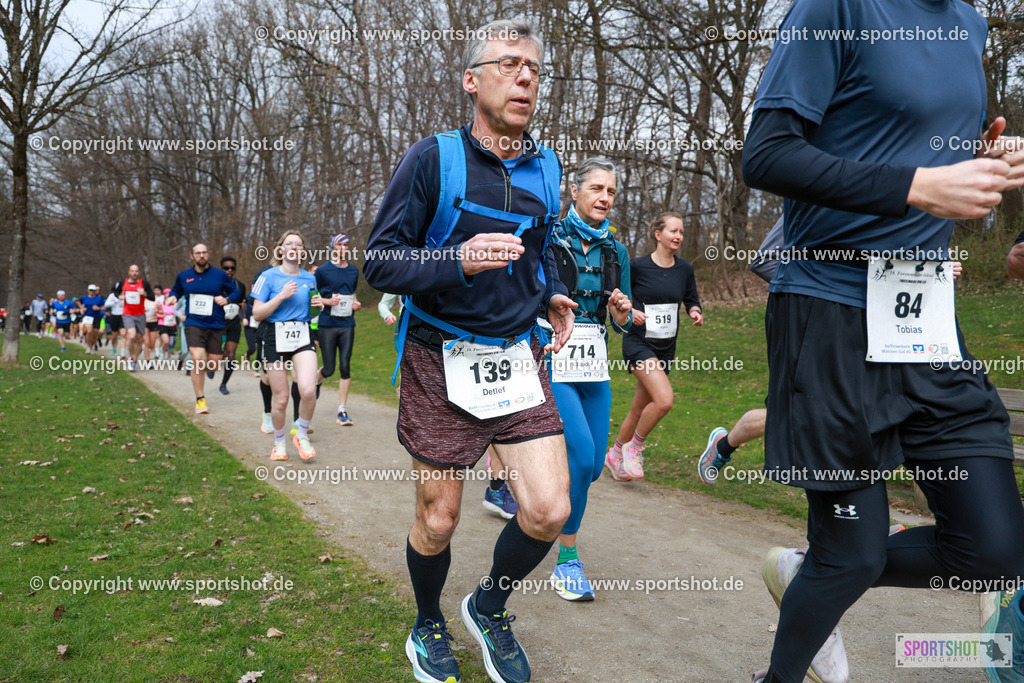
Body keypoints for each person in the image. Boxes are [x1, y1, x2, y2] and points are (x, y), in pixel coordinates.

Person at [741, 0, 1024, 679]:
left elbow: (909, 143)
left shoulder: (968, 22)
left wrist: (979, 162)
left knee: (995, 547)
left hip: (924, 316)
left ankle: (816, 572)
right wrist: (917, 186)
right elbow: (766, 155)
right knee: (854, 551)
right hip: (829, 307)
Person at [364, 18, 574, 683]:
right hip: (438, 355)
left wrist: (556, 295)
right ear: (471, 79)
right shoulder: (432, 158)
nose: (524, 77)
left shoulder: (548, 165)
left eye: (534, 69)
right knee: (440, 517)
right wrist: (455, 259)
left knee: (548, 509)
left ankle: (489, 605)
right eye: (508, 63)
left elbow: (549, 248)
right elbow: (381, 261)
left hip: (517, 357)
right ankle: (428, 620)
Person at [541, 157, 638, 601]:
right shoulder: (549, 239)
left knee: (594, 465)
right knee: (580, 457)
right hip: (553, 359)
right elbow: (530, 294)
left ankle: (543, 498)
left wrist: (622, 316)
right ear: (574, 192)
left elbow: (621, 320)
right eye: (596, 188)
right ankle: (566, 559)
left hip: (593, 365)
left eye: (611, 192)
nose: (604, 198)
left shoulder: (617, 252)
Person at [606, 213, 702, 480]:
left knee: (639, 408)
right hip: (639, 343)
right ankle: (634, 448)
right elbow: (617, 295)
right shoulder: (637, 266)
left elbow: (691, 298)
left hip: (666, 348)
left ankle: (614, 455)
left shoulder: (685, 269)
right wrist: (630, 310)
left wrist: (695, 311)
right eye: (673, 231)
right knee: (664, 400)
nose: (679, 236)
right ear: (658, 235)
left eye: (681, 232)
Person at [250, 232, 320, 460]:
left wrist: (318, 306)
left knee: (309, 389)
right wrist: (280, 296)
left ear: (303, 251)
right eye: (288, 243)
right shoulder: (267, 277)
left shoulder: (310, 279)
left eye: (299, 244)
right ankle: (279, 442)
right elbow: (257, 313)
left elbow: (312, 312)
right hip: (274, 335)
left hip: (302, 333)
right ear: (280, 250)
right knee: (281, 398)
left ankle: (301, 434)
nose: (294, 247)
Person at [169, 244, 241, 414]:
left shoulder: (220, 275)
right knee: (198, 359)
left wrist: (227, 299)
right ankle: (200, 399)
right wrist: (172, 297)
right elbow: (176, 290)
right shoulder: (184, 276)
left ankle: (205, 371)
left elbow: (235, 293)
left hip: (216, 324)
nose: (201, 255)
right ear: (191, 256)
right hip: (194, 323)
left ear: (208, 254)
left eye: (203, 252)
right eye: (197, 253)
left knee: (214, 364)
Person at [315, 234, 363, 426]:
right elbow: (314, 296)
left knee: (345, 366)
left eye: (346, 245)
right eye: (340, 244)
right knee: (328, 368)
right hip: (327, 323)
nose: (344, 248)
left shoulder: (353, 271)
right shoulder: (323, 271)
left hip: (347, 324)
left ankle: (342, 409)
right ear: (333, 248)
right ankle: (317, 380)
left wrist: (356, 303)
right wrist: (328, 301)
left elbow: (352, 293)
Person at [111, 265, 155, 370]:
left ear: (139, 272)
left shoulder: (144, 283)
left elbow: (152, 297)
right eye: (132, 271)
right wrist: (119, 296)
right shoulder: (123, 282)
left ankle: (135, 359)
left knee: (139, 339)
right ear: (129, 272)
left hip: (140, 314)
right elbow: (114, 292)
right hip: (128, 314)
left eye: (136, 271)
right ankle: (130, 359)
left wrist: (144, 294)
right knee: (131, 336)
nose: (134, 273)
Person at [80, 285, 106, 354]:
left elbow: (104, 308)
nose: (92, 292)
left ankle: (92, 345)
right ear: (88, 290)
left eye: (93, 290)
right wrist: (82, 308)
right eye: (90, 290)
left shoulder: (99, 299)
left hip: (97, 317)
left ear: (95, 291)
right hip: (87, 316)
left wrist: (98, 308)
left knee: (94, 333)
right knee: (89, 331)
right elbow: (78, 302)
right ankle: (88, 347)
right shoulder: (84, 298)